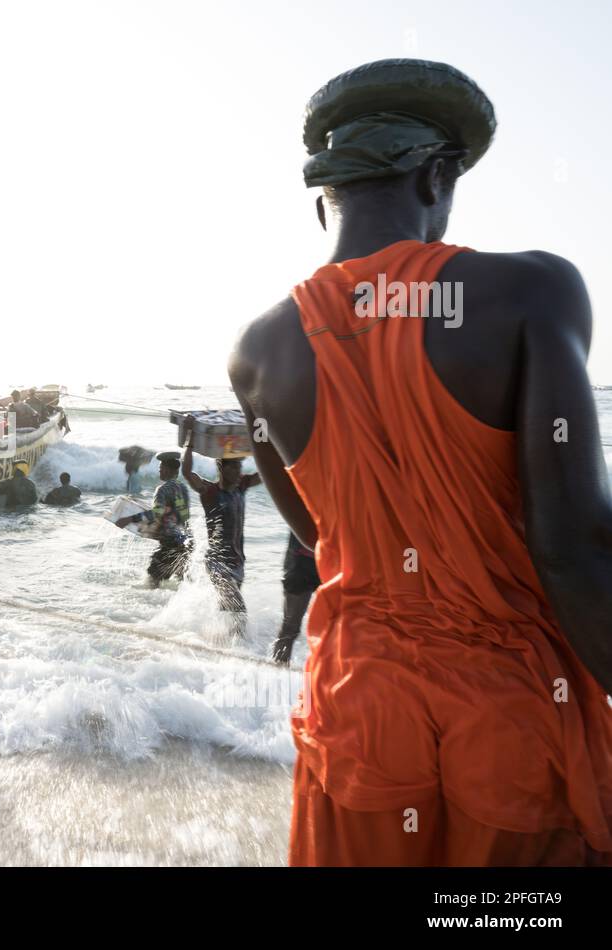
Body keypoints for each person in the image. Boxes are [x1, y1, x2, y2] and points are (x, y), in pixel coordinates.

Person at [227, 59, 612, 865]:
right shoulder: (529, 292)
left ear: (321, 199)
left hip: (359, 710)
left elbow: (315, 535)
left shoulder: (256, 351)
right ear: (436, 176)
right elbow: (574, 550)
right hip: (512, 718)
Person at [181, 420, 261, 623]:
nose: (239, 471)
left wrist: (263, 435)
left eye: (240, 466)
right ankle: (242, 651)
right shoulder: (210, 492)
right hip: (217, 563)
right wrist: (190, 436)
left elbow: (270, 472)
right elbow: (187, 472)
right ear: (221, 468)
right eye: (234, 466)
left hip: (238, 562)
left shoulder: (241, 486)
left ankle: (216, 643)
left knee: (227, 610)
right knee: (239, 611)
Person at [117, 450, 192, 587]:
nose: (160, 472)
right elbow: (184, 515)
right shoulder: (183, 488)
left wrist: (128, 519)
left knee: (151, 584)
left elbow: (157, 512)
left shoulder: (162, 489)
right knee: (182, 585)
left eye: (161, 468)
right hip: (186, 544)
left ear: (168, 470)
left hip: (170, 544)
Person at [271, 533, 320, 665]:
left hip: (335, 557)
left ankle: (330, 680)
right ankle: (278, 671)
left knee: (337, 628)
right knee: (290, 627)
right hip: (301, 559)